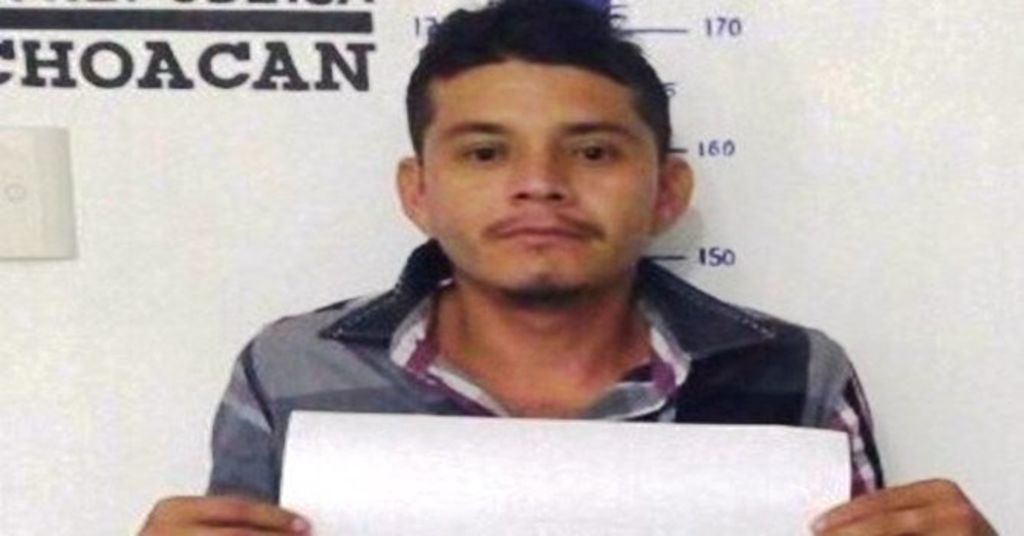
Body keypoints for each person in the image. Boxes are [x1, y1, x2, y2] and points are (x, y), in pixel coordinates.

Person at [139, 0, 996, 534]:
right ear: (418, 192)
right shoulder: (294, 369)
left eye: (592, 151)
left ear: (667, 192)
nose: (540, 184)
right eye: (485, 153)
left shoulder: (796, 373)